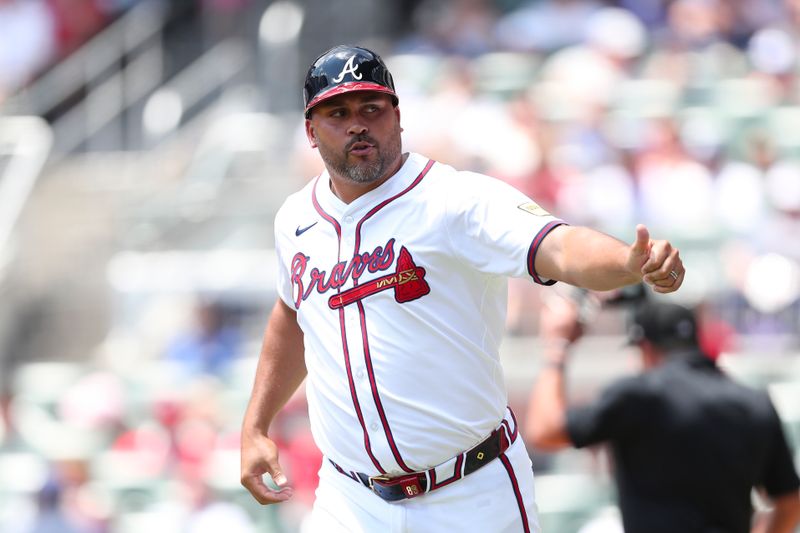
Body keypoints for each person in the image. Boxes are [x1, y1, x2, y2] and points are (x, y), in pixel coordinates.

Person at [239, 44, 685, 532]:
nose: (357, 124)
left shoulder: (455, 200)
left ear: (398, 117)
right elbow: (292, 315)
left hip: (470, 491)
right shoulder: (296, 219)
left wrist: (627, 261)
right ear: (310, 130)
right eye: (338, 113)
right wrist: (256, 424)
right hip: (350, 498)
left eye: (372, 108)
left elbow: (559, 246)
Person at [525, 293, 800, 533]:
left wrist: (556, 347)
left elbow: (545, 431)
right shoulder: (754, 403)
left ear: (646, 348)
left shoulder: (640, 396)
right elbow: (790, 502)